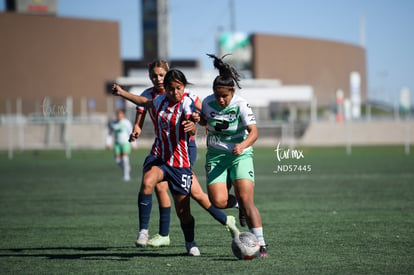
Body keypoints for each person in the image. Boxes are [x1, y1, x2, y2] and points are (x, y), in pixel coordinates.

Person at [129, 61, 240, 248]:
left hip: (184, 152)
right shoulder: (153, 97)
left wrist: (196, 121)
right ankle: (158, 233)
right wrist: (126, 102)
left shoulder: (187, 99)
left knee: (192, 195)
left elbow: (200, 113)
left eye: (161, 75)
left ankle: (223, 220)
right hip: (161, 155)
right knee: (158, 185)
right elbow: (143, 105)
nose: (158, 79)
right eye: (154, 76)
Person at [198, 54, 268, 257]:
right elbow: (205, 121)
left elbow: (254, 132)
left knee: (248, 200)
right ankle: (239, 205)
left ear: (232, 92)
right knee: (218, 201)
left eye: (224, 96)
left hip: (241, 155)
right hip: (216, 156)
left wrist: (242, 145)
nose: (221, 100)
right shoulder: (207, 102)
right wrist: (198, 120)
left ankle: (261, 244)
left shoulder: (241, 104)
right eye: (217, 95)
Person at [106, 109, 133, 182]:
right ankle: (126, 168)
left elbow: (131, 132)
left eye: (121, 114)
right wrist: (108, 143)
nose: (119, 116)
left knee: (124, 158)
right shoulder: (113, 124)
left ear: (123, 115)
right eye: (118, 115)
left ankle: (126, 176)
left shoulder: (126, 123)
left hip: (125, 143)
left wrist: (134, 143)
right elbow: (109, 134)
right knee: (117, 160)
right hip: (117, 143)